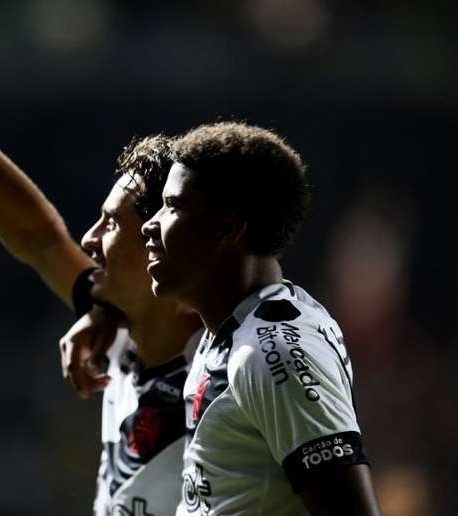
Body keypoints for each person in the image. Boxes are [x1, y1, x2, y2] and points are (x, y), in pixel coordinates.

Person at [0, 25, 202, 516]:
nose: (90, 239)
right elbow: (40, 239)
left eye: (112, 224)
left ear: (160, 246)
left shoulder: (230, 371)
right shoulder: (123, 326)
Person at [141, 122, 382, 515]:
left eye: (173, 206)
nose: (150, 225)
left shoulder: (275, 351)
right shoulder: (231, 332)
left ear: (228, 228)